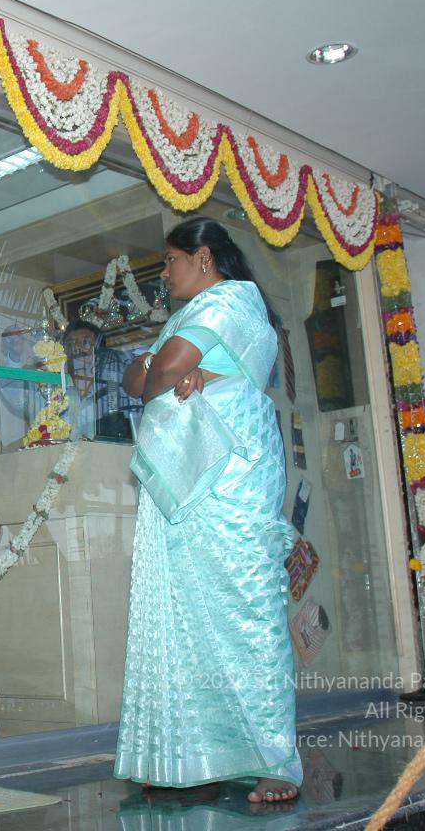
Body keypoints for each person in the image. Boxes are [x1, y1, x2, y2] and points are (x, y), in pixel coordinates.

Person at [114, 217, 301, 804]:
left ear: (203, 258)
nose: (165, 273)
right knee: (189, 614)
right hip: (189, 477)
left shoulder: (231, 301)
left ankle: (276, 761)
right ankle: (203, 755)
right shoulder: (188, 316)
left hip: (229, 478)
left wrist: (168, 367)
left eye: (170, 260)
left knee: (246, 610)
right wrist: (165, 366)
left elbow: (161, 373)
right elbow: (135, 379)